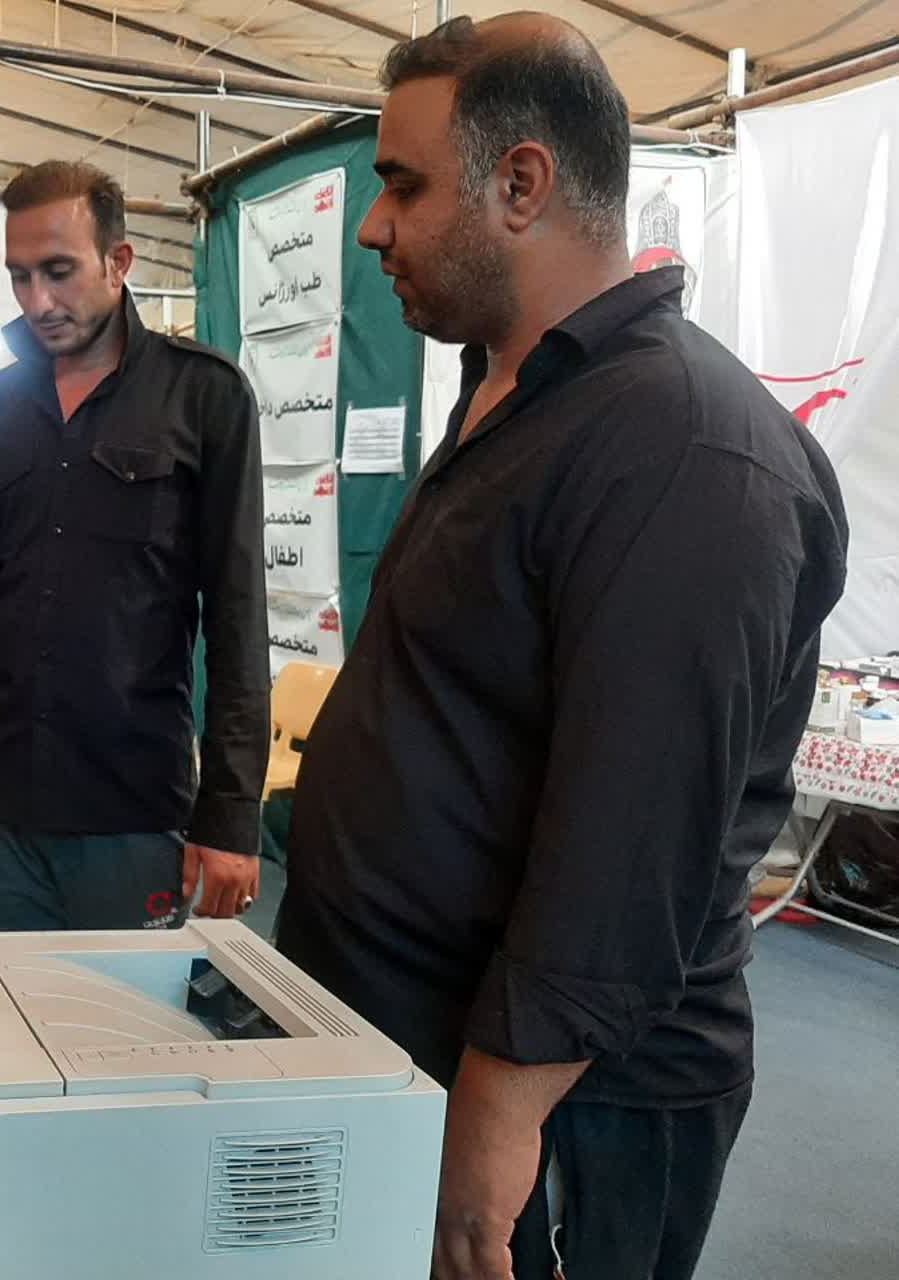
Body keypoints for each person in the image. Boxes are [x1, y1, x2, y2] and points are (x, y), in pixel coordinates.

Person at [276, 16, 848, 1280]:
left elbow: (631, 838)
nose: (373, 227)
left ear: (522, 183)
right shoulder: (519, 393)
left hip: (559, 1110)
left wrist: (496, 1118)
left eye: (404, 186)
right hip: (408, 1042)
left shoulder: (683, 447)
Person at [0, 161, 269, 930]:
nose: (37, 301)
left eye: (58, 271)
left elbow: (237, 617)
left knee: (122, 1008)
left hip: (130, 808)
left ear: (118, 262)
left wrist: (230, 815)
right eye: (19, 277)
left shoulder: (203, 395)